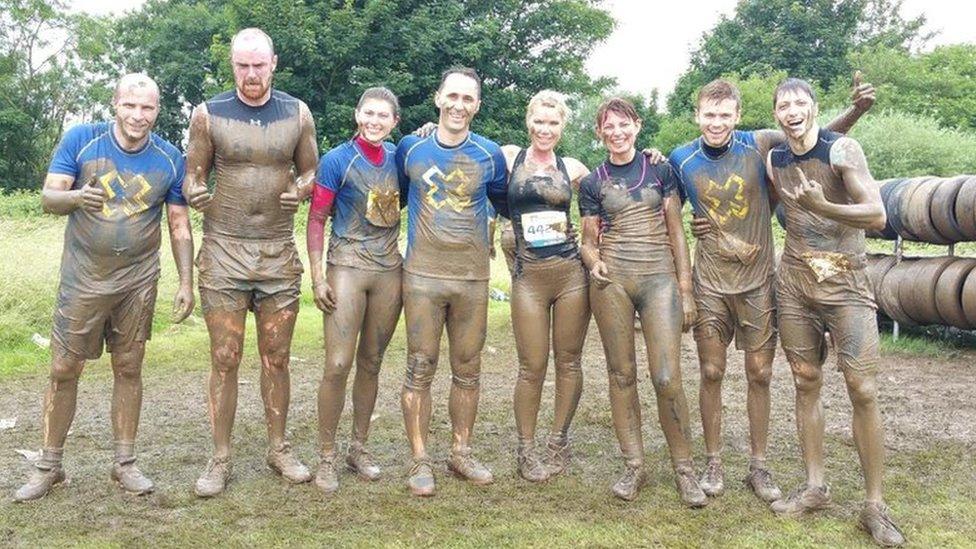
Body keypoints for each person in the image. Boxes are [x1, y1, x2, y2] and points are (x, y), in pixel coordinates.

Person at [668, 75, 874, 501]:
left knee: (760, 373)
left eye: (725, 114)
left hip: (760, 281)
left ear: (738, 116)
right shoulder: (680, 158)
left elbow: (813, 141)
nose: (717, 122)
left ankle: (758, 467)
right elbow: (665, 206)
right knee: (710, 371)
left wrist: (856, 110)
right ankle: (713, 462)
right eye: (709, 114)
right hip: (711, 283)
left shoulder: (760, 144)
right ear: (697, 115)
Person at [14, 73, 194, 502]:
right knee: (63, 369)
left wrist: (187, 281)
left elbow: (180, 224)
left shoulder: (170, 157)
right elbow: (48, 198)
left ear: (157, 111)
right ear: (114, 104)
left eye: (147, 107)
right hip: (83, 278)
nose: (138, 115)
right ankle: (49, 465)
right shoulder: (82, 140)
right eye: (130, 105)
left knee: (129, 366)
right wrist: (77, 198)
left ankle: (125, 463)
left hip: (137, 280)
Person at [765, 78, 903, 547]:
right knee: (806, 381)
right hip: (796, 283)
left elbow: (878, 214)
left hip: (846, 279)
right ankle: (815, 487)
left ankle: (874, 506)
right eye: (784, 105)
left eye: (800, 103)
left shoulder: (844, 150)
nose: (792, 110)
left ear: (815, 108)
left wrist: (824, 205)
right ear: (777, 114)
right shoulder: (774, 158)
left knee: (862, 387)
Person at [183, 28, 318, 497]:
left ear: (274, 63)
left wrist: (302, 189)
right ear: (232, 65)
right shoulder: (208, 114)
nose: (251, 74)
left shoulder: (297, 113)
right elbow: (191, 175)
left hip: (277, 250)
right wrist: (195, 191)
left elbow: (312, 171)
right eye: (243, 65)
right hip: (223, 249)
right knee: (225, 357)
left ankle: (278, 448)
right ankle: (219, 458)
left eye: (259, 65)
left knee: (276, 357)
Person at [579, 97, 705, 507]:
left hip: (659, 280)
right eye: (608, 127)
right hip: (612, 282)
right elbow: (586, 240)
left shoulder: (662, 170)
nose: (616, 133)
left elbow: (677, 232)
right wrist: (594, 260)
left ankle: (684, 469)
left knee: (667, 376)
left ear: (637, 125)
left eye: (623, 124)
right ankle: (634, 466)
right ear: (599, 133)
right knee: (621, 374)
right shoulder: (592, 182)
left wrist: (685, 289)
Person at [396, 67, 507, 497]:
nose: (459, 105)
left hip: (472, 279)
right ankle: (419, 459)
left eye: (468, 99)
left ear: (477, 105)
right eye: (452, 96)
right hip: (422, 276)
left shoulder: (491, 155)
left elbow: (506, 204)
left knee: (468, 368)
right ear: (437, 98)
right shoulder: (410, 148)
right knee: (419, 366)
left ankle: (460, 451)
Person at [306, 87, 403, 494]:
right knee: (338, 363)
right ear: (357, 114)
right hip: (346, 265)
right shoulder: (337, 160)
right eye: (369, 114)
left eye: (384, 116)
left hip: (388, 271)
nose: (375, 122)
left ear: (395, 121)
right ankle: (326, 455)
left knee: (372, 362)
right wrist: (317, 275)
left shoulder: (401, 157)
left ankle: (358, 447)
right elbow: (316, 219)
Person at [498, 90, 591, 482]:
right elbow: (464, 152)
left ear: (563, 126)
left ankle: (558, 440)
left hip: (570, 275)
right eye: (539, 121)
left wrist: (653, 157)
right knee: (531, 366)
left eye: (553, 123)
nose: (545, 129)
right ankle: (526, 449)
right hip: (529, 277)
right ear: (528, 120)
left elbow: (610, 192)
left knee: (568, 362)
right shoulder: (508, 155)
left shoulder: (573, 167)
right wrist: (429, 128)